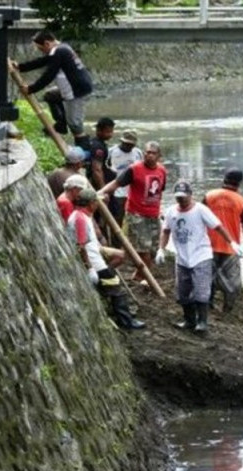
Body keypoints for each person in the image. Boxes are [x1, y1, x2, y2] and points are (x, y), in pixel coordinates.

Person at [156, 180, 233, 334]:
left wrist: (231, 243)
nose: (181, 200)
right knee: (182, 293)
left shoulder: (200, 210)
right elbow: (166, 231)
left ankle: (202, 322)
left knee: (201, 291)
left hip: (201, 255)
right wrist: (161, 249)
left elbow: (218, 227)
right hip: (182, 258)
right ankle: (189, 320)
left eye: (184, 197)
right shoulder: (171, 212)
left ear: (190, 195)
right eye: (178, 197)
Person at [67, 189, 143, 329]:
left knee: (114, 284)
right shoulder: (80, 219)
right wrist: (90, 268)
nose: (98, 204)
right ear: (91, 203)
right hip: (95, 263)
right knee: (116, 289)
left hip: (95, 257)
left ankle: (121, 313)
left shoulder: (82, 216)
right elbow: (81, 246)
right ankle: (126, 321)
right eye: (96, 202)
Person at [11, 30, 93, 149]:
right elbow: (42, 61)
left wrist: (31, 89)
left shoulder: (59, 52)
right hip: (77, 85)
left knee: (75, 125)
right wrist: (21, 67)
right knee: (51, 96)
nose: (41, 51)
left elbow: (48, 75)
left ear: (47, 43)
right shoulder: (62, 48)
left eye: (41, 49)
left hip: (76, 90)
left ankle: (84, 154)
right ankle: (61, 124)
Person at [99, 141, 167, 283]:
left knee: (153, 250)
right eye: (147, 152)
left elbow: (160, 191)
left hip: (153, 215)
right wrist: (101, 192)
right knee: (144, 251)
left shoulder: (162, 171)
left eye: (153, 153)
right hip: (137, 215)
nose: (149, 155)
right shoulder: (134, 169)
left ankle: (138, 275)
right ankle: (146, 277)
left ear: (159, 156)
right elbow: (116, 183)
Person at [203, 167, 243, 311]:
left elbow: (198, 216)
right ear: (239, 183)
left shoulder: (209, 195)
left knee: (208, 276)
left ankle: (208, 304)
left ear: (224, 179)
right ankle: (227, 308)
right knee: (232, 281)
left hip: (208, 244)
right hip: (231, 247)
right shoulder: (241, 201)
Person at [107, 129, 143, 227]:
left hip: (133, 190)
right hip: (117, 189)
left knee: (134, 215)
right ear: (122, 141)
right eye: (127, 144)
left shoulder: (138, 153)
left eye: (131, 144)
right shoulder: (112, 152)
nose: (129, 146)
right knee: (118, 214)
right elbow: (106, 168)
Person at [87, 117, 115, 189]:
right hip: (98, 184)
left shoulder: (96, 142)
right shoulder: (98, 147)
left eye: (111, 131)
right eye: (108, 132)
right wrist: (103, 188)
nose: (110, 135)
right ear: (99, 131)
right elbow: (97, 170)